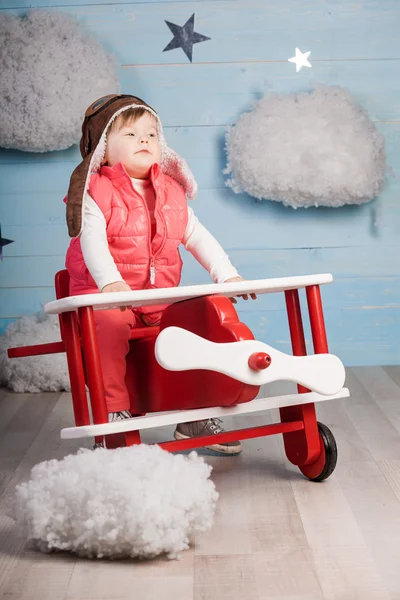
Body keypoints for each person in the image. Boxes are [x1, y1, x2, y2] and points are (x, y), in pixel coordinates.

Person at [64, 94, 256, 455]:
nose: (144, 141)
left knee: (201, 319)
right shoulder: (96, 191)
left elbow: (198, 236)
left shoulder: (171, 193)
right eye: (131, 134)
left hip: (157, 298)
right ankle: (115, 414)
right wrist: (109, 283)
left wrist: (226, 275)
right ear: (103, 150)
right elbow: (92, 241)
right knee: (107, 324)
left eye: (151, 134)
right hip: (107, 296)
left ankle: (196, 413)